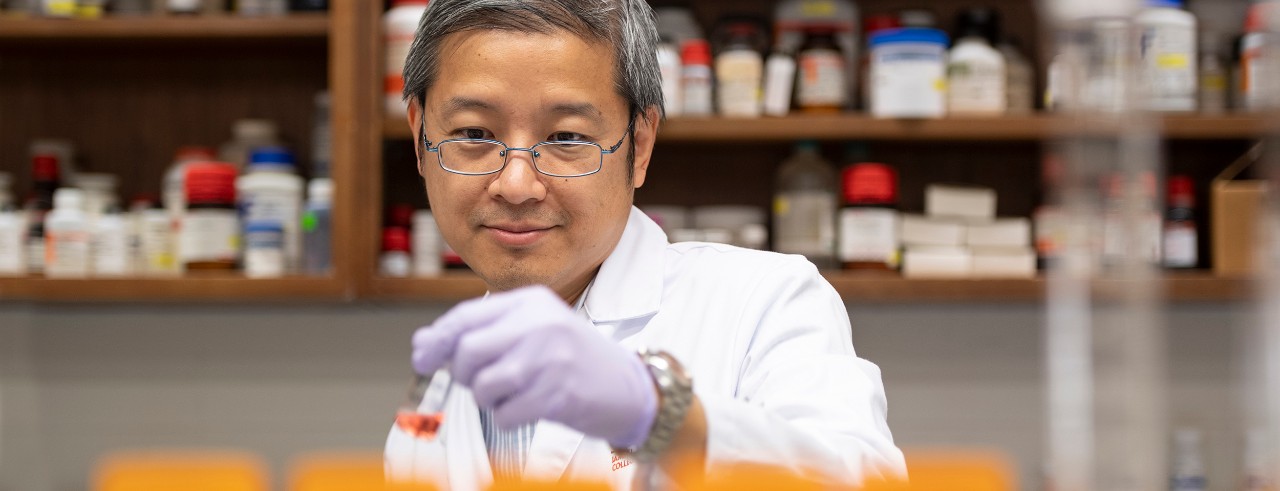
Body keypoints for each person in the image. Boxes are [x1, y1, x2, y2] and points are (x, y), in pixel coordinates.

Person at [383, 1, 907, 489]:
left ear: (640, 146)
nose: (516, 184)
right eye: (474, 133)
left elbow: (864, 476)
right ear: (420, 138)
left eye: (568, 139)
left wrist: (664, 416)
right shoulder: (434, 398)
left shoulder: (764, 301)